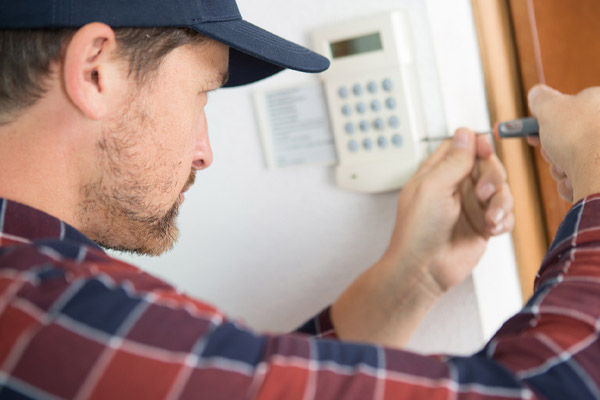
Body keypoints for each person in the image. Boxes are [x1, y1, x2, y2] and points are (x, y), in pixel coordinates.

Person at [0, 0, 594, 398]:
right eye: (202, 94)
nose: (205, 152)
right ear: (97, 70)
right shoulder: (39, 312)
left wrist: (411, 281)